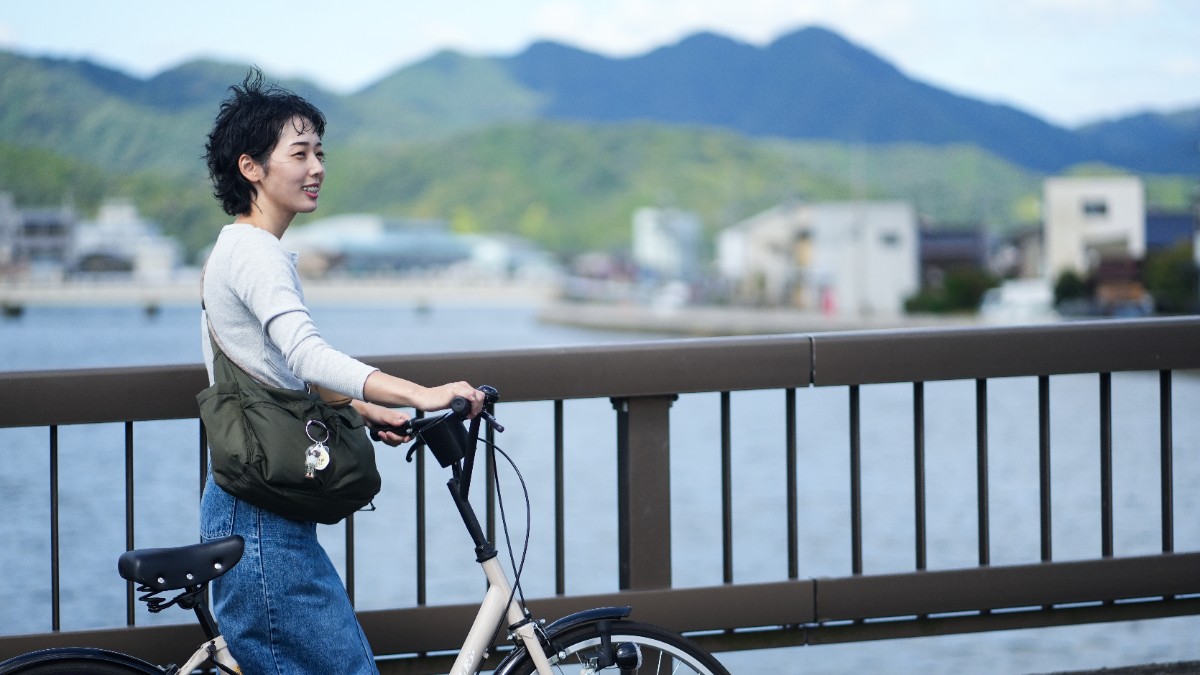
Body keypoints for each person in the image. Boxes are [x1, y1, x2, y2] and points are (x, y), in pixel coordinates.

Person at [199, 68, 483, 674]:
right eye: (299, 153)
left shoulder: (244, 247)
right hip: (262, 522)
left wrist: (364, 407)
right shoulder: (255, 252)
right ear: (251, 168)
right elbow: (306, 354)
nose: (317, 167)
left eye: (320, 153)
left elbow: (274, 371)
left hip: (258, 506)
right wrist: (422, 394)